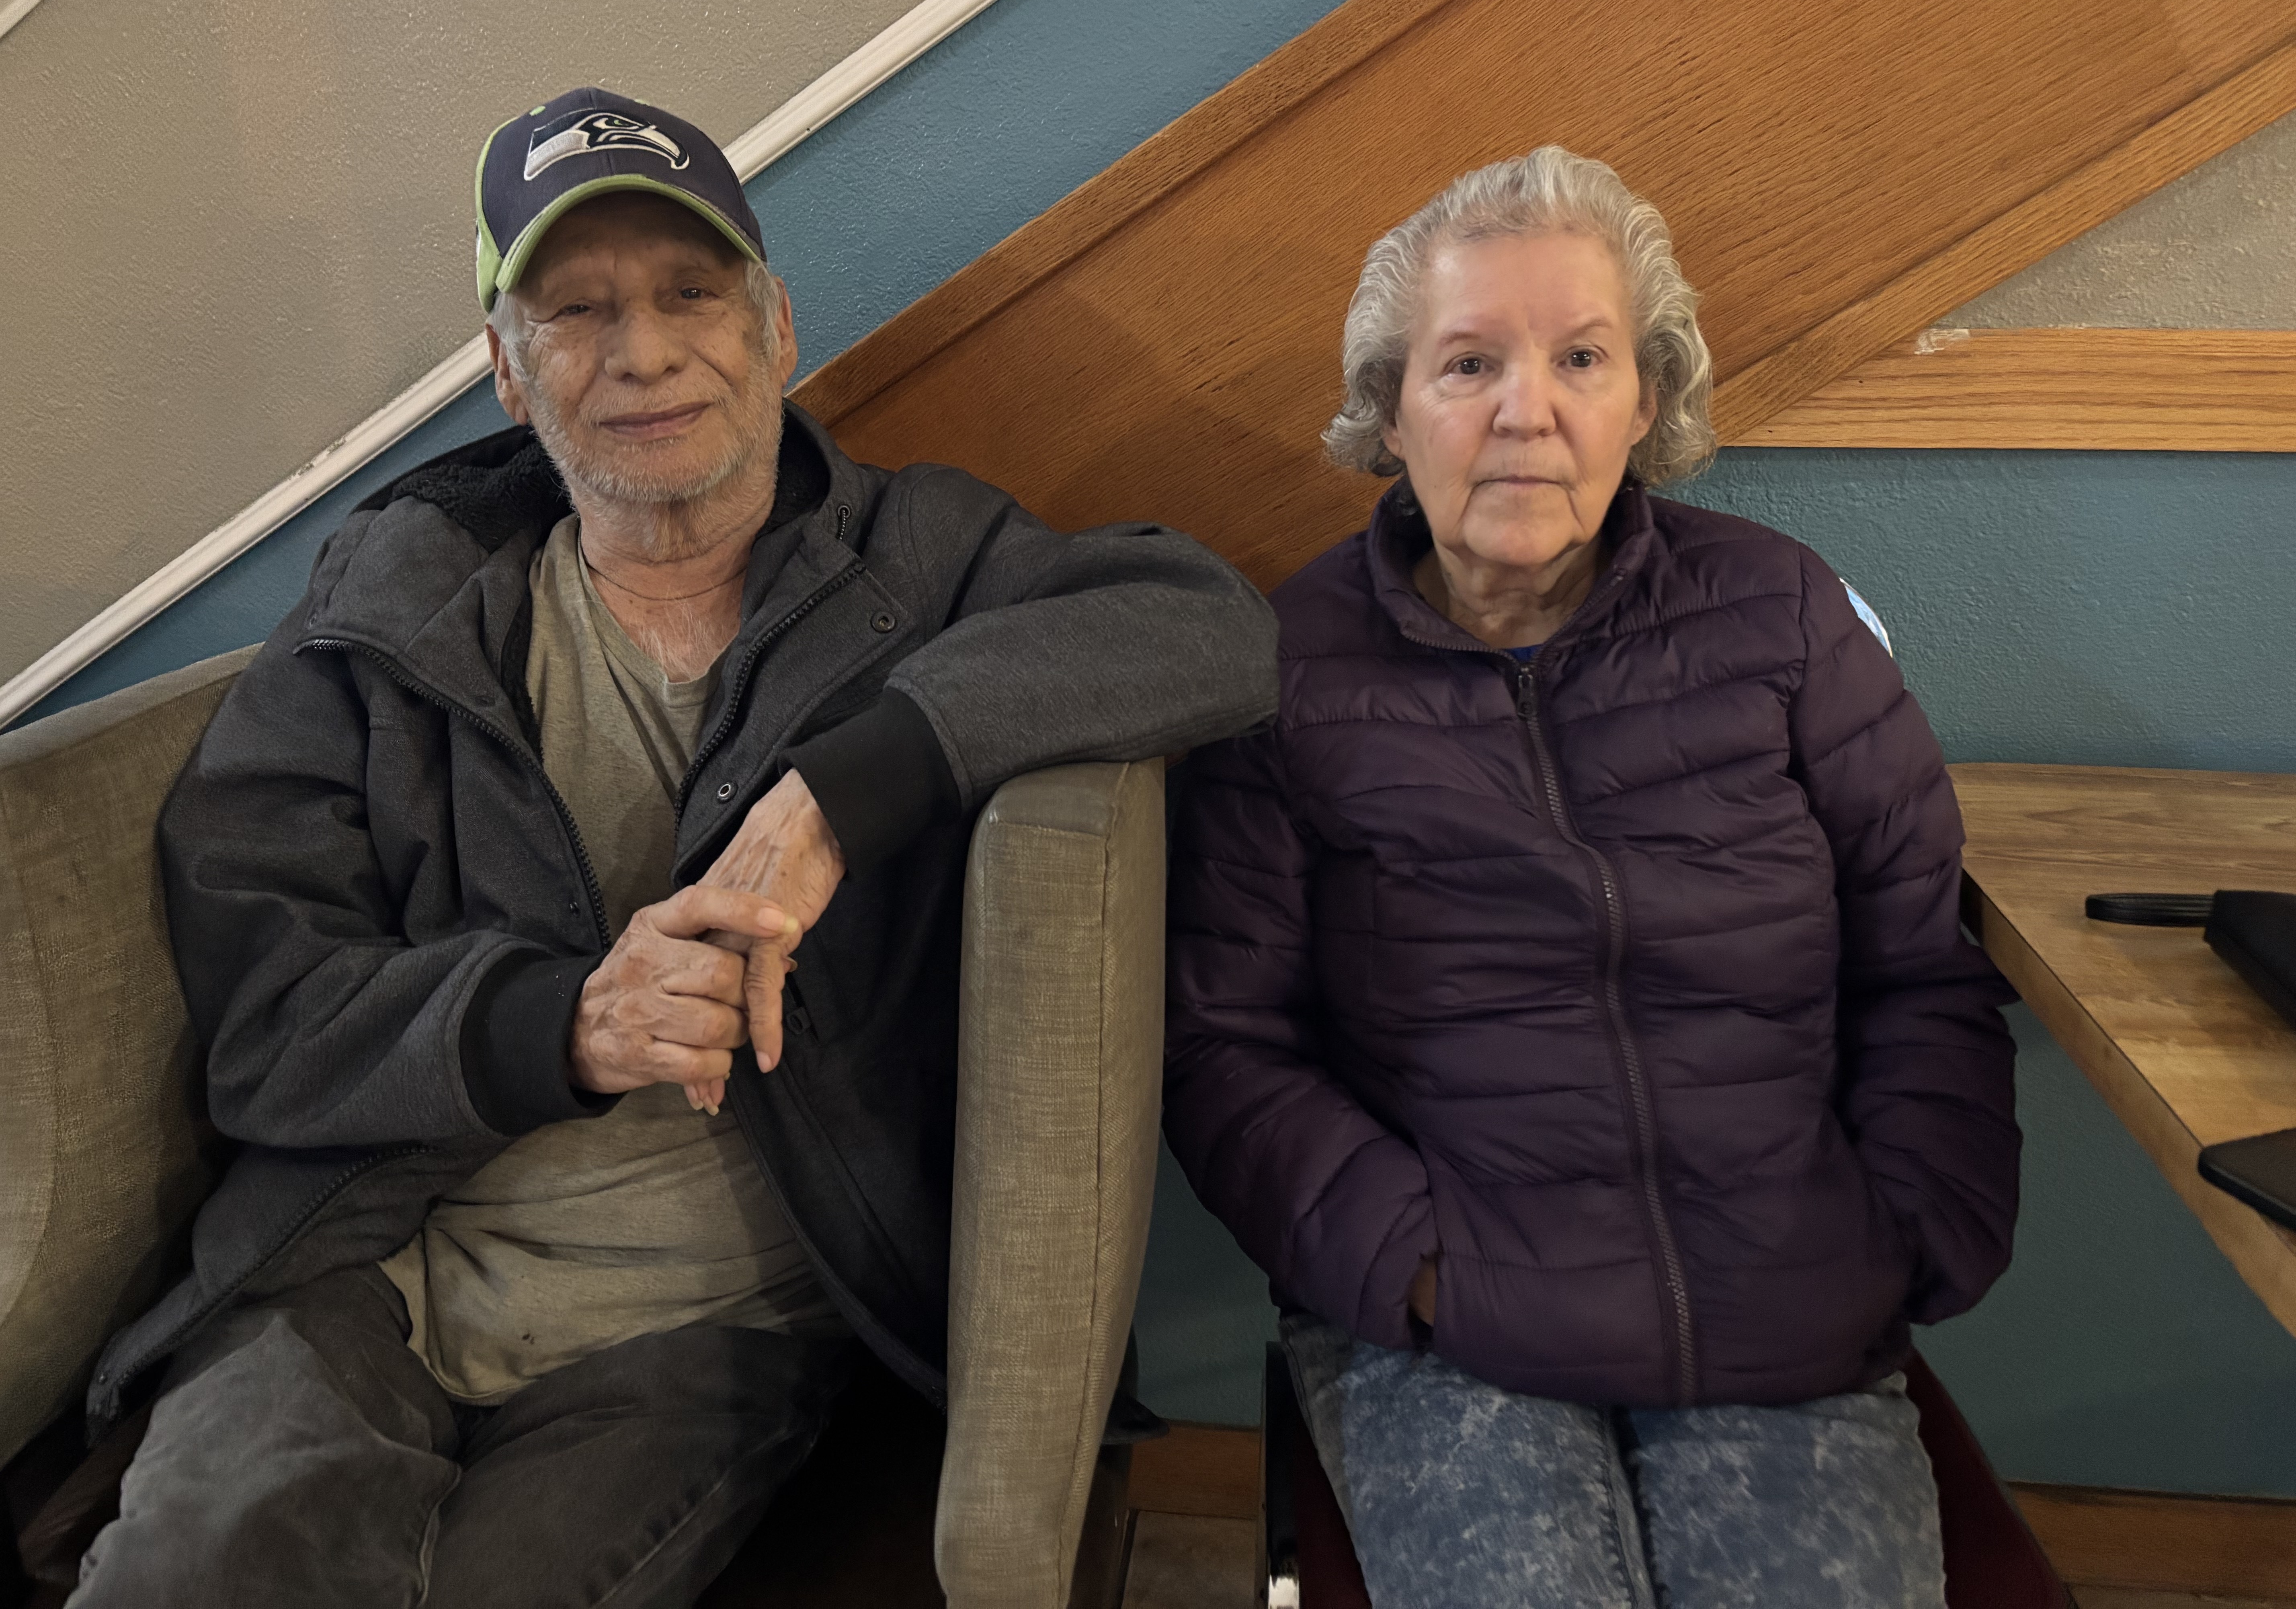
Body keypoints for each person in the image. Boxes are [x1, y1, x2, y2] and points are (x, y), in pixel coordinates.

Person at [69, 86, 1277, 1608]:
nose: (643, 352)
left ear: (774, 326)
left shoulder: (921, 560)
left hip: (709, 1324)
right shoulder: (381, 618)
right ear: (509, 374)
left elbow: (1210, 628)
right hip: (359, 1273)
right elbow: (266, 1026)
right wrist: (559, 1023)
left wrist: (850, 789)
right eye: (576, 311)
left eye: (689, 291)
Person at [1162, 147, 2018, 1608]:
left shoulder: (1784, 617)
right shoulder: (1283, 672)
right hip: (1448, 1321)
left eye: (1579, 356)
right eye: (1468, 362)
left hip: (1790, 1305)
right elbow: (1225, 1048)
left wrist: (1904, 1235)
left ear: (1648, 397)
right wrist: (1414, 1266)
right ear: (1389, 408)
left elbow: (1921, 966)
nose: (1527, 409)